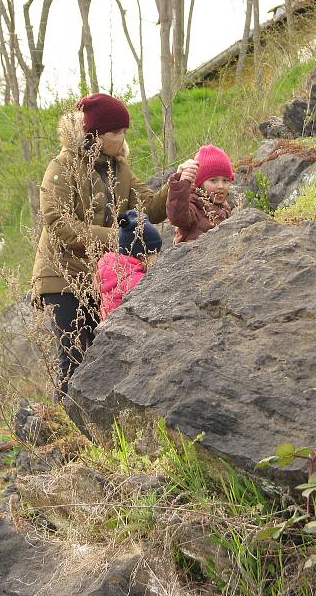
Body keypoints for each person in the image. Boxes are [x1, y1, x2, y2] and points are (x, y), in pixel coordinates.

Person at [31, 93, 168, 402]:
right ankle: (65, 432)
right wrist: (114, 238)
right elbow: (57, 222)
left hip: (99, 278)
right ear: (96, 134)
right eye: (116, 132)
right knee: (73, 359)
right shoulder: (61, 166)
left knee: (98, 359)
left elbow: (151, 208)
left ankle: (88, 433)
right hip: (60, 277)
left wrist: (177, 186)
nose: (122, 138)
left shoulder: (119, 169)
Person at [97, 210, 162, 321]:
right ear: (143, 255)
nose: (158, 258)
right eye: (156, 253)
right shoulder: (137, 280)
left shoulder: (110, 268)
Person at [166, 144, 234, 243]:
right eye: (213, 180)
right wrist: (181, 185)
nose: (221, 186)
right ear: (200, 183)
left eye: (225, 180)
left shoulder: (224, 207)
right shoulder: (193, 205)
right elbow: (177, 216)